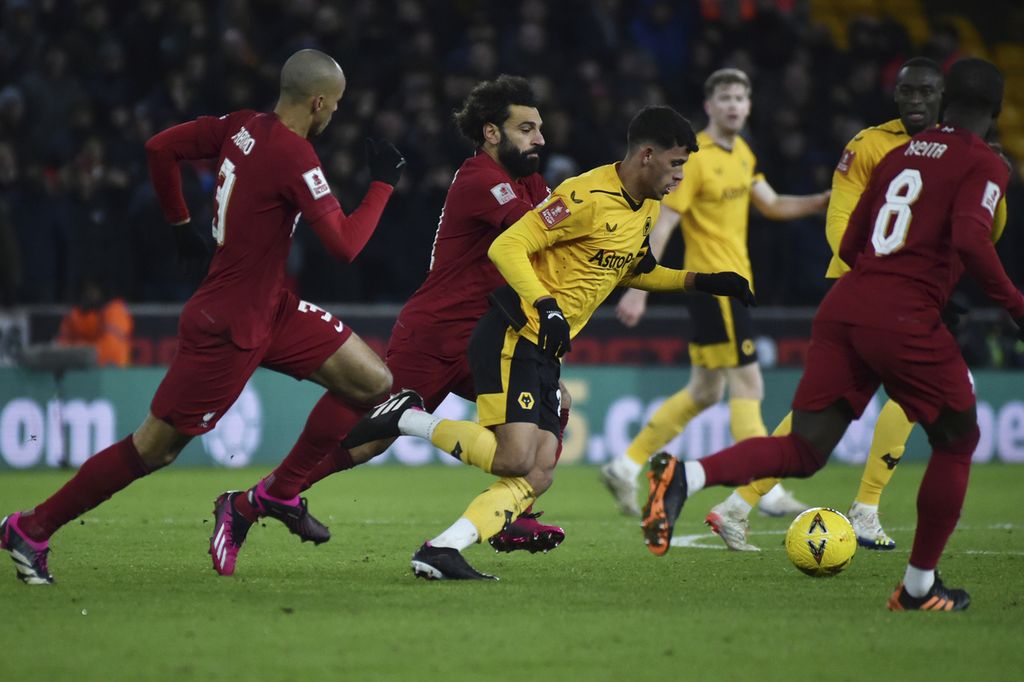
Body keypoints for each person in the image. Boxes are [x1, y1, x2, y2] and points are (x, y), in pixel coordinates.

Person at [0, 49, 406, 584]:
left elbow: (159, 148)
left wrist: (179, 223)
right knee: (155, 448)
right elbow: (345, 246)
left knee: (374, 382)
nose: (334, 116)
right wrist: (383, 185)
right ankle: (30, 528)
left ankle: (274, 495)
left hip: (271, 307)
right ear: (319, 101)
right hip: (229, 326)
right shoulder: (297, 155)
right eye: (336, 106)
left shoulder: (241, 126)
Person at [642, 58, 1024, 612]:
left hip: (847, 304)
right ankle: (918, 587)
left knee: (804, 448)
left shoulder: (895, 156)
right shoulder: (985, 161)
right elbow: (970, 236)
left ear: (944, 100)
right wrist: (1012, 303)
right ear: (996, 109)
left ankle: (684, 475)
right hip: (904, 313)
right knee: (958, 440)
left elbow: (848, 244)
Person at [344, 105, 755, 580]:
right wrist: (546, 304)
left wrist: (702, 282)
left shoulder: (647, 207)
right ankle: (407, 417)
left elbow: (637, 271)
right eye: (676, 163)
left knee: (538, 473)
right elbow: (507, 246)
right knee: (516, 457)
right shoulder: (583, 195)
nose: (681, 175)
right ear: (647, 155)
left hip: (546, 347)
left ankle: (443, 548)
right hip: (513, 333)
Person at [281, 75, 568, 555]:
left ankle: (513, 514)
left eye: (539, 128)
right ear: (491, 132)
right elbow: (536, 232)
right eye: (526, 128)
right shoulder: (480, 178)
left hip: (487, 339)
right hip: (435, 336)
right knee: (369, 440)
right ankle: (265, 496)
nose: (540, 138)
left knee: (552, 405)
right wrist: (589, 205)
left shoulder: (527, 179)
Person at [601, 68, 828, 519]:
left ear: (748, 105)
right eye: (725, 97)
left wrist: (825, 199)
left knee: (705, 391)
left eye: (741, 98)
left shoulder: (743, 152)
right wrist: (639, 286)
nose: (733, 105)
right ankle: (766, 490)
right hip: (714, 286)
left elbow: (773, 204)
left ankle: (624, 467)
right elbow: (666, 221)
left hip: (730, 287)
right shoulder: (695, 160)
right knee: (749, 382)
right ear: (709, 106)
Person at [56, 279, 134, 367]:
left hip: (113, 372)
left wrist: (78, 352)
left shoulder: (115, 311)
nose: (89, 293)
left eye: (93, 289)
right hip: (80, 371)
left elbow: (111, 351)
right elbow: (60, 347)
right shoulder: (75, 314)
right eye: (86, 289)